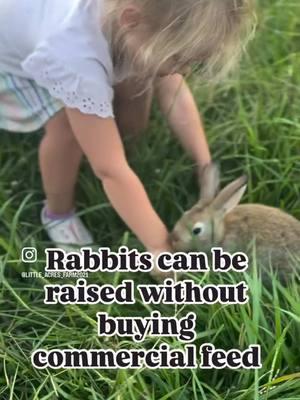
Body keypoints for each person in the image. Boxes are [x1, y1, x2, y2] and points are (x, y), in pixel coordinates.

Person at [0, 0, 254, 269]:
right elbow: (109, 169)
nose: (185, 70)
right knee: (66, 130)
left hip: (48, 24)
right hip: (11, 62)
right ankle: (57, 213)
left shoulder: (141, 24)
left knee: (143, 75)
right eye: (179, 59)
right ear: (131, 20)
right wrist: (158, 246)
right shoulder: (74, 56)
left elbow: (175, 94)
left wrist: (205, 167)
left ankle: (130, 148)